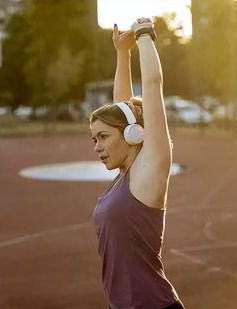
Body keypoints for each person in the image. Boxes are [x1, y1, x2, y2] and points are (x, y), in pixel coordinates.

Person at [90, 18, 184, 309]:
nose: (98, 147)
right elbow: (123, 109)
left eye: (103, 137)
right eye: (94, 139)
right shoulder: (125, 175)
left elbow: (153, 86)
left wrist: (145, 34)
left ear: (131, 134)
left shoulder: (149, 170)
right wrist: (122, 53)